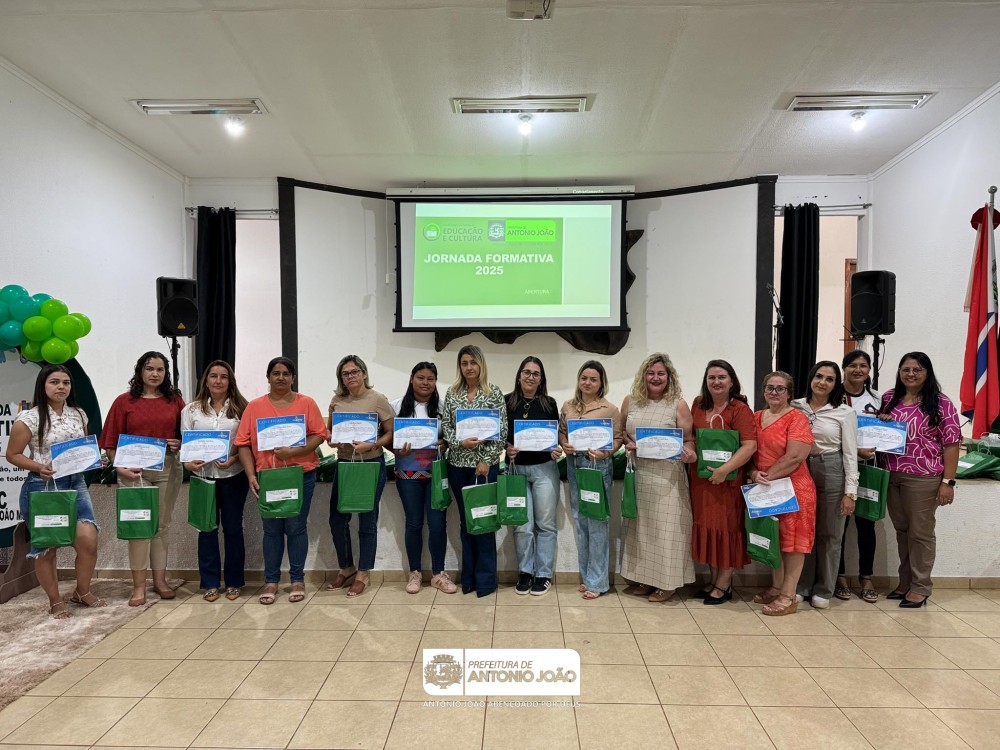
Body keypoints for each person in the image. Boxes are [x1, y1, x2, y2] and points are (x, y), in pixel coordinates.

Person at [6, 365, 106, 618]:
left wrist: (95, 459)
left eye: (66, 382)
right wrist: (39, 467)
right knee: (47, 548)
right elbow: (13, 454)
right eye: (54, 382)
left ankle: (81, 591)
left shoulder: (79, 414)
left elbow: (82, 448)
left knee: (88, 542)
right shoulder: (28, 418)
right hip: (43, 487)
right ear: (43, 385)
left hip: (76, 483)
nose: (61, 387)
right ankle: (55, 600)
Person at [235, 357, 327, 605]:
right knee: (272, 530)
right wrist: (251, 475)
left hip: (301, 475)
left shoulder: (306, 403)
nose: (281, 377)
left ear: (293, 378)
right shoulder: (254, 407)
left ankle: (297, 579)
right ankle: (271, 581)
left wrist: (293, 452)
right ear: (268, 377)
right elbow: (242, 443)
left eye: (286, 373)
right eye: (275, 373)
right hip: (269, 478)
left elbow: (319, 435)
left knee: (296, 527)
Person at [100, 351, 185, 607]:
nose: (155, 374)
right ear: (140, 371)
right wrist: (120, 467)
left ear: (166, 373)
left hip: (166, 469)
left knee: (161, 526)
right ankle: (138, 587)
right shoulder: (124, 402)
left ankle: (160, 582)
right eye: (149, 369)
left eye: (160, 369)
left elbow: (188, 437)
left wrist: (179, 443)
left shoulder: (175, 401)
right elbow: (110, 441)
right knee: (139, 528)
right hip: (133, 471)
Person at [878, 352, 961, 608]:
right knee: (902, 531)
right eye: (906, 369)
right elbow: (879, 433)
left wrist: (948, 482)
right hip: (891, 474)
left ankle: (921, 587)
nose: (911, 374)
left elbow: (951, 444)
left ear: (927, 373)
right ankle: (905, 582)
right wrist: (882, 422)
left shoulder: (941, 403)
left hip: (923, 478)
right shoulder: (889, 398)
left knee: (920, 533)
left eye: (917, 369)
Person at [621, 353, 695, 603]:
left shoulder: (678, 404)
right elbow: (623, 431)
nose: (655, 378)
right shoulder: (631, 401)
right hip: (640, 475)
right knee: (642, 530)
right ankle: (646, 578)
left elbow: (689, 440)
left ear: (669, 377)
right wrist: (629, 443)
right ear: (643, 376)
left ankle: (668, 583)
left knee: (666, 531)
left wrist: (689, 453)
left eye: (661, 373)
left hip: (668, 479)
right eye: (651, 373)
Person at [748, 371, 817, 616]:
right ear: (763, 391)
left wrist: (766, 476)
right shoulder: (756, 417)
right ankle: (777, 587)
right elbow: (748, 450)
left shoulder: (797, 418)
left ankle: (788, 596)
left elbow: (796, 456)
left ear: (789, 393)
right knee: (774, 539)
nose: (774, 392)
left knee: (793, 544)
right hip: (766, 488)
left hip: (794, 490)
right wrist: (753, 473)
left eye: (780, 388)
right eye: (770, 387)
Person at [688, 360, 757, 604]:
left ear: (731, 381)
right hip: (701, 482)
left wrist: (723, 470)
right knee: (708, 529)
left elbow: (749, 446)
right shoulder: (698, 404)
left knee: (726, 530)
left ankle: (724, 584)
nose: (716, 382)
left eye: (721, 377)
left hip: (727, 482)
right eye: (712, 377)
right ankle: (713, 579)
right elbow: (691, 437)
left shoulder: (740, 409)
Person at [440, 344, 507, 597]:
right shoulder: (452, 393)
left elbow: (501, 431)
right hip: (458, 467)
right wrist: (460, 443)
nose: (469, 367)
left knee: (484, 522)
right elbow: (447, 428)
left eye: (473, 362)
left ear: (481, 365)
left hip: (484, 469)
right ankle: (468, 580)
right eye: (464, 363)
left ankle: (486, 581)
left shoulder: (493, 392)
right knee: (466, 523)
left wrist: (486, 460)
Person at [181, 360, 250, 602]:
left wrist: (233, 459)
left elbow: (248, 443)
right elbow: (185, 445)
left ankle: (234, 582)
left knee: (233, 529)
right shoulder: (191, 410)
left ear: (230, 381)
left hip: (233, 477)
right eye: (213, 376)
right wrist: (188, 464)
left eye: (224, 376)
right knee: (207, 529)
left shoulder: (243, 408)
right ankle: (210, 583)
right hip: (203, 478)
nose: (218, 381)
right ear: (206, 380)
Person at [792, 361, 859, 609]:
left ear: (835, 384)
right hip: (800, 467)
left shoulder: (844, 412)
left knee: (830, 533)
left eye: (829, 379)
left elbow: (850, 454)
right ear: (811, 378)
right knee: (803, 529)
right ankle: (802, 586)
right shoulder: (795, 406)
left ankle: (824, 589)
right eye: (819, 376)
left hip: (831, 468)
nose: (822, 382)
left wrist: (850, 492)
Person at [326, 355, 393, 598]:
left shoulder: (378, 399)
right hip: (345, 463)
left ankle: (363, 572)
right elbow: (330, 432)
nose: (350, 376)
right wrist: (331, 440)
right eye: (345, 374)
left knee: (367, 520)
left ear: (364, 373)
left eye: (354, 372)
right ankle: (347, 567)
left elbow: (390, 434)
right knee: (337, 519)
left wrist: (371, 445)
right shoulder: (337, 401)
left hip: (370, 464)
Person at [559, 360, 623, 600]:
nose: (587, 383)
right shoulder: (568, 406)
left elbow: (618, 439)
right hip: (574, 464)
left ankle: (598, 582)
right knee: (580, 520)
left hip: (597, 466)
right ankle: (587, 577)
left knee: (597, 522)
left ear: (601, 383)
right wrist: (564, 444)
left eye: (593, 379)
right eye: (584, 378)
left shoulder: (610, 409)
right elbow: (562, 432)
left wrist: (605, 453)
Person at [392, 362, 456, 595]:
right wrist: (397, 450)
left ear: (435, 382)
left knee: (438, 523)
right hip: (407, 475)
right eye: (421, 377)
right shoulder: (396, 406)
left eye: (430, 379)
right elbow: (387, 438)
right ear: (412, 379)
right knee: (413, 523)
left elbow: (453, 436)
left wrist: (445, 443)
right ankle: (415, 573)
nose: (425, 383)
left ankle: (438, 574)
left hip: (436, 474)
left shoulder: (443, 406)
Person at [505, 356, 562, 596]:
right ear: (519, 376)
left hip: (544, 469)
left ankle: (543, 574)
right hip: (515, 470)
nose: (530, 377)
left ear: (541, 379)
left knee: (545, 525)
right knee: (522, 525)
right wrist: (507, 447)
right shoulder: (506, 401)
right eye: (526, 372)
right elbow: (500, 434)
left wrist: (557, 449)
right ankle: (525, 572)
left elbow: (555, 437)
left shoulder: (549, 403)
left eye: (535, 373)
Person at [837, 349, 881, 603]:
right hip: (839, 468)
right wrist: (855, 451)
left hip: (868, 468)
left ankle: (866, 577)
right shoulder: (834, 396)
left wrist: (887, 420)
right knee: (839, 525)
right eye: (852, 365)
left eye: (863, 365)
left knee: (867, 524)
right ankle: (840, 576)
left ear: (869, 370)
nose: (858, 370)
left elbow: (888, 432)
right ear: (844, 368)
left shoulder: (877, 398)